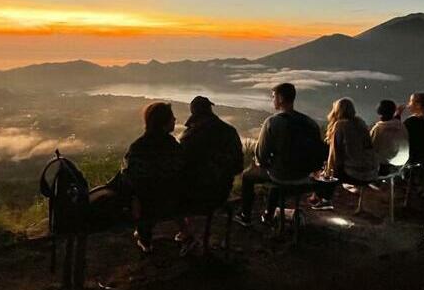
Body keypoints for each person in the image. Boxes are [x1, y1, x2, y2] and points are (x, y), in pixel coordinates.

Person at [234, 83, 324, 227]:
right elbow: (317, 152)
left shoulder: (272, 122)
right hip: (304, 176)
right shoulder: (310, 123)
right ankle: (269, 214)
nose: (273, 100)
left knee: (248, 176)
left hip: (281, 175)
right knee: (277, 171)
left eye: (274, 97)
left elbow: (261, 156)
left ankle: (245, 215)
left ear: (281, 98)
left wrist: (262, 164)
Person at [177, 96, 244, 253]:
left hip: (194, 195)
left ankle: (186, 233)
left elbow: (180, 170)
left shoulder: (188, 137)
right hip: (221, 193)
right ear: (210, 109)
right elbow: (238, 167)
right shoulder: (230, 132)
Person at [116, 102, 184, 254]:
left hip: (146, 206)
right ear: (163, 123)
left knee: (141, 192)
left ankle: (145, 239)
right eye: (172, 118)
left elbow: (130, 177)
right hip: (171, 202)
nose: (175, 120)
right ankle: (184, 233)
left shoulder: (138, 147)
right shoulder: (172, 146)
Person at [325, 98, 378, 189]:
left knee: (325, 178)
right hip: (372, 172)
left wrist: (328, 172)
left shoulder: (340, 125)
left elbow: (335, 154)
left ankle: (324, 199)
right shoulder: (360, 122)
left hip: (355, 174)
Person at [369, 99, 409, 175]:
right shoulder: (401, 125)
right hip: (403, 162)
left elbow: (371, 147)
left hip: (385, 165)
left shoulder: (378, 128)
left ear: (378, 112)